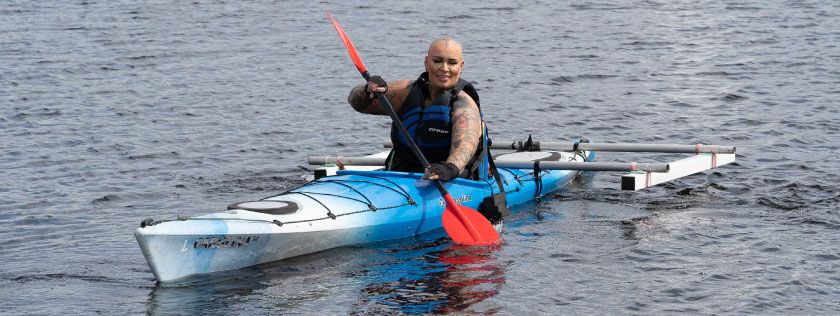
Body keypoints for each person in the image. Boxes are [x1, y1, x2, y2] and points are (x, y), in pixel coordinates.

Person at [347, 36, 487, 182]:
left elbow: (465, 145)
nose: (444, 68)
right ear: (426, 63)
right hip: (400, 176)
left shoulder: (464, 104)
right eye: (437, 61)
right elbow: (356, 103)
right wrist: (366, 90)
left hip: (446, 180)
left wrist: (450, 168)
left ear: (461, 66)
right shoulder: (405, 91)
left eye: (452, 63)